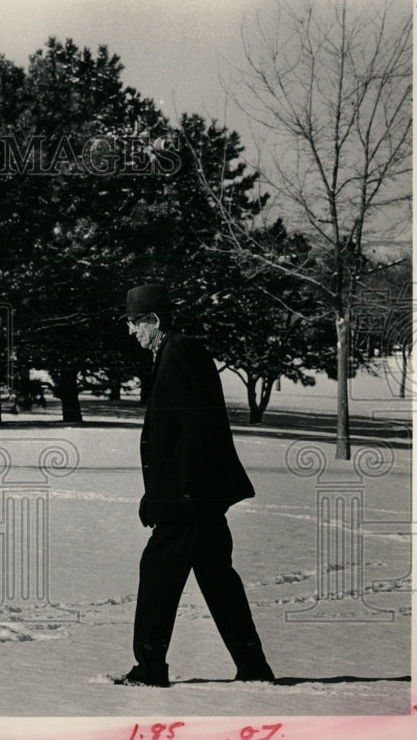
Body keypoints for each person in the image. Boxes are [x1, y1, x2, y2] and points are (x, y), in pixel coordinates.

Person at [115, 284, 275, 687]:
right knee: (219, 582)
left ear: (154, 320)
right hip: (192, 498)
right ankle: (254, 668)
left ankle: (150, 668)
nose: (132, 332)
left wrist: (179, 497)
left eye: (136, 323)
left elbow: (198, 431)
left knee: (157, 578)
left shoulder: (180, 352)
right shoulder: (172, 353)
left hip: (188, 502)